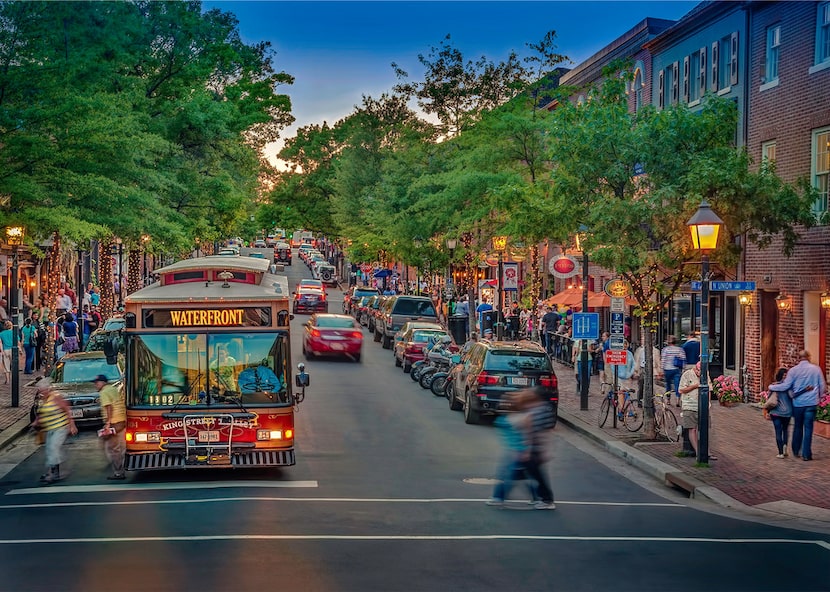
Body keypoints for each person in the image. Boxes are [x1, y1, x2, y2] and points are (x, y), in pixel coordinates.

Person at [767, 350, 826, 461]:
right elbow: (822, 386)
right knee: (808, 428)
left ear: (799, 358)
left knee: (798, 427)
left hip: (798, 404)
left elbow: (786, 386)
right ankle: (806, 454)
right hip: (811, 403)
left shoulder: (793, 371)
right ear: (808, 357)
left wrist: (771, 387)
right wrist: (819, 397)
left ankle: (795, 450)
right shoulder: (816, 369)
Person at [488, 390, 533, 507]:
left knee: (508, 475)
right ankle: (538, 495)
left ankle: (498, 497)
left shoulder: (517, 419)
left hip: (517, 451)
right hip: (513, 450)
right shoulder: (510, 418)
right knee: (520, 475)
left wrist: (526, 450)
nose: (504, 404)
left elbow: (527, 435)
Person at [30, 377, 78, 484]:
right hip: (50, 428)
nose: (42, 392)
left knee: (53, 447)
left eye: (43, 390)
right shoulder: (42, 399)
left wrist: (72, 425)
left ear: (48, 389)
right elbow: (41, 413)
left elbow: (67, 409)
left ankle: (53, 473)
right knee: (50, 449)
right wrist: (36, 422)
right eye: (40, 391)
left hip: (60, 427)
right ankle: (55, 470)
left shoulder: (56, 397)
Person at [678, 362, 716, 459]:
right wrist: (694, 386)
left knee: (704, 429)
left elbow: (709, 389)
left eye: (701, 371)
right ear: (695, 368)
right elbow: (681, 390)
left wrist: (708, 403)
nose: (699, 373)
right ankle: (698, 452)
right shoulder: (687, 374)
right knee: (692, 428)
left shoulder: (705, 375)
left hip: (703, 405)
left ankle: (707, 452)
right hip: (689, 405)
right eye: (698, 370)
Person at [93, 374, 127, 480]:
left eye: (97, 383)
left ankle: (118, 472)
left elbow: (109, 407)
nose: (95, 385)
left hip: (114, 422)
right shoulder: (113, 389)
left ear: (102, 382)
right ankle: (119, 464)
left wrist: (108, 423)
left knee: (113, 448)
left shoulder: (104, 392)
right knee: (119, 446)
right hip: (121, 420)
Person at [766, 367, 793, 459]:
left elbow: (769, 399)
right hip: (787, 412)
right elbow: (792, 396)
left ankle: (780, 452)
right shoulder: (789, 387)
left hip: (776, 412)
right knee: (785, 429)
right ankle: (785, 446)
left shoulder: (774, 386)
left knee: (778, 431)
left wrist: (767, 411)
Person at [660, 335, 686, 407]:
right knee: (677, 384)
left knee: (668, 385)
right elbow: (683, 359)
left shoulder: (665, 350)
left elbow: (663, 360)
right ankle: (678, 400)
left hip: (667, 369)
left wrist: (661, 369)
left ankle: (668, 399)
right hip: (676, 369)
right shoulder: (679, 349)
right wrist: (683, 369)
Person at [0, 320, 12, 384]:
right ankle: (15, 379)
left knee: (6, 366)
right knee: (14, 365)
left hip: (5, 350)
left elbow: (0, 343)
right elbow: (18, 342)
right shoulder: (14, 332)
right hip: (13, 350)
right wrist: (20, 349)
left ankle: (7, 380)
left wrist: (2, 351)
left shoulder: (1, 333)